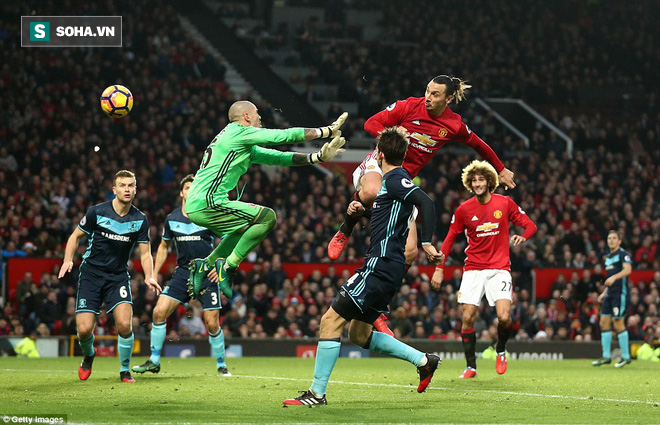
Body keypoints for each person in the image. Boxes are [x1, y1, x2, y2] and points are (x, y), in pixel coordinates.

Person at [283, 128, 444, 407]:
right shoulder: (391, 185)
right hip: (390, 268)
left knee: (329, 321)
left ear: (379, 154)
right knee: (358, 334)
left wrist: (428, 242)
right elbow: (391, 215)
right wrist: (363, 213)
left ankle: (316, 394)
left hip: (380, 266)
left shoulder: (394, 180)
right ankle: (423, 360)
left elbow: (426, 202)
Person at [327, 75, 516, 263]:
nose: (428, 97)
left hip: (402, 178)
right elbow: (370, 124)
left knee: (410, 253)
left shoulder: (454, 125)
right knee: (371, 191)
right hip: (379, 164)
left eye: (435, 94)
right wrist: (391, 135)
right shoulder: (408, 106)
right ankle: (345, 229)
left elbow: (478, 144)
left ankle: (385, 284)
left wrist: (500, 169)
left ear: (448, 99)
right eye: (427, 91)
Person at [186, 100, 347, 298]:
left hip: (198, 203)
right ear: (246, 117)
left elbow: (278, 157)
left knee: (245, 227)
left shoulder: (237, 140)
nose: (260, 117)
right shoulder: (239, 132)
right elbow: (283, 136)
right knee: (268, 217)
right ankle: (227, 268)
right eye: (256, 113)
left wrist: (316, 158)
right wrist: (326, 131)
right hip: (207, 202)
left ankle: (206, 265)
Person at [434, 160, 536, 378]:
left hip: (499, 268)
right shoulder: (463, 209)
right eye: (474, 180)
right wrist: (439, 268)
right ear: (470, 184)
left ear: (490, 182)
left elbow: (530, 225)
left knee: (504, 317)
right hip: (473, 269)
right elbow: (449, 240)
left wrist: (523, 236)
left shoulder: (505, 203)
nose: (478, 183)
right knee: (468, 316)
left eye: (481, 179)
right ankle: (471, 366)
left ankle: (500, 349)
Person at [59, 170, 161, 383]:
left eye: (130, 185)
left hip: (117, 277)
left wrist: (149, 275)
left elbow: (145, 253)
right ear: (114, 189)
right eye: (122, 185)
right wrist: (68, 259)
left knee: (125, 325)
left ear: (135, 190)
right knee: (85, 329)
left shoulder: (140, 219)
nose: (127, 189)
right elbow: (75, 236)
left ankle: (124, 370)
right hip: (91, 274)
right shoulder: (97, 212)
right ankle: (89, 355)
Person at [132, 174, 230, 376]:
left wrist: (222, 265)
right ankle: (154, 360)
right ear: (181, 192)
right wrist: (154, 273)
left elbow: (229, 239)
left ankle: (221, 364)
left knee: (212, 322)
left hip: (206, 273)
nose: (191, 191)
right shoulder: (172, 219)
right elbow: (163, 247)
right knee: (159, 313)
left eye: (194, 188)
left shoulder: (208, 216)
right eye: (187, 187)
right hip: (184, 273)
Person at [592, 230, 633, 368]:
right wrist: (604, 292)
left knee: (618, 323)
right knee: (604, 322)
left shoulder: (623, 254)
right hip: (610, 294)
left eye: (614, 238)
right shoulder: (608, 257)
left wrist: (614, 278)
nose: (611, 240)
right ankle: (606, 356)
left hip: (619, 294)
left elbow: (628, 270)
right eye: (609, 238)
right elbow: (610, 280)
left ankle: (626, 357)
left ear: (619, 241)